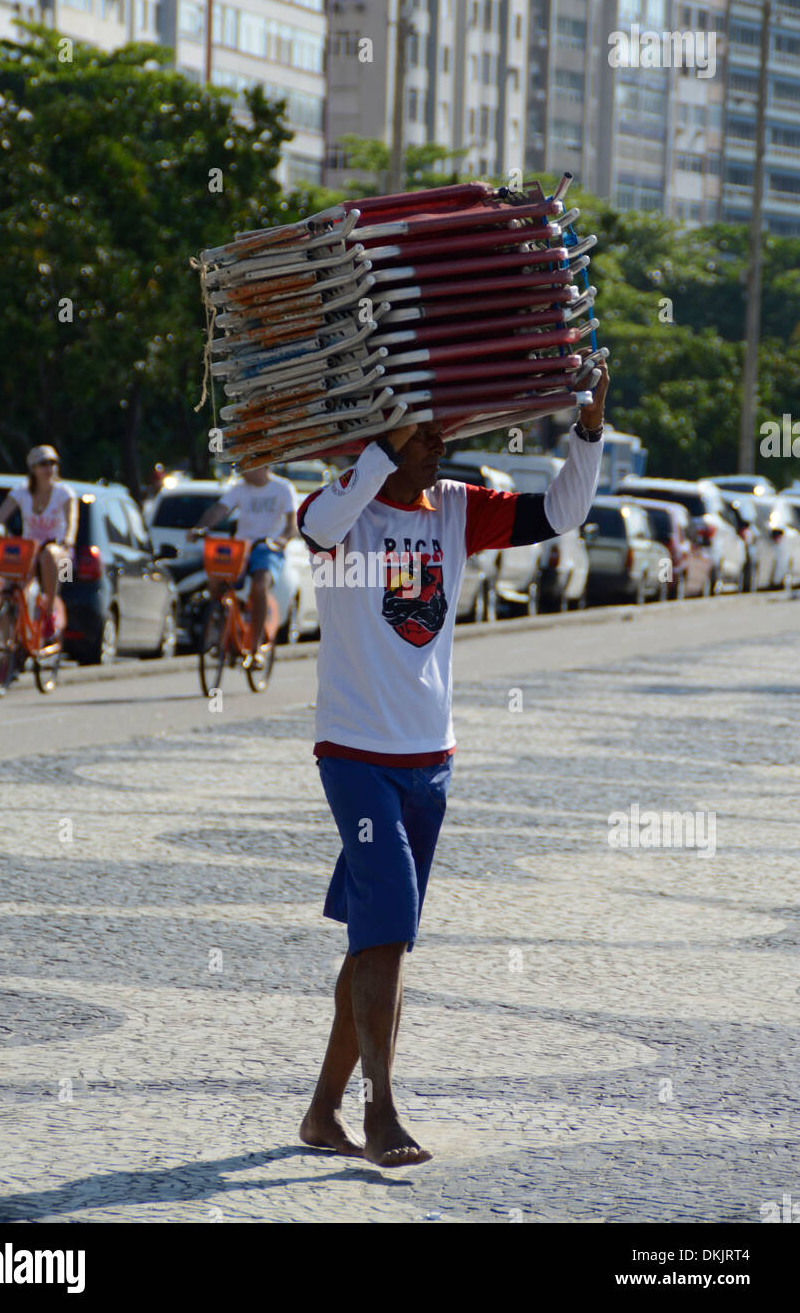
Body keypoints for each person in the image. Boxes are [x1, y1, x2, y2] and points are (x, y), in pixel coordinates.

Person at [295, 366, 610, 1168]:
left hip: (430, 760)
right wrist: (381, 446)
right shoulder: (344, 511)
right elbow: (319, 530)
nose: (444, 444)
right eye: (427, 432)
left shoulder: (458, 510)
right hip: (356, 755)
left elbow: (566, 510)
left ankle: (321, 1112)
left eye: (446, 432)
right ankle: (382, 1113)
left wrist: (588, 430)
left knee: (377, 938)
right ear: (390, 436)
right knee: (390, 930)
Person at [188, 464, 298, 667]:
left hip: (267, 548)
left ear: (262, 466)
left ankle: (255, 649)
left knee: (259, 585)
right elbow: (219, 510)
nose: (242, 471)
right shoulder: (240, 488)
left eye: (247, 466)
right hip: (241, 547)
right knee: (216, 579)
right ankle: (218, 630)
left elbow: (292, 523)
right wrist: (201, 527)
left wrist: (282, 540)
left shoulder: (282, 488)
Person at [0, 445, 78, 641]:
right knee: (9, 587)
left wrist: (68, 539)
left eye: (52, 463)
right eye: (43, 464)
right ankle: (10, 644)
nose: (49, 468)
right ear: (33, 468)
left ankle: (50, 612)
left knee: (48, 553)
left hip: (61, 554)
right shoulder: (22, 492)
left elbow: (72, 519)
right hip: (30, 551)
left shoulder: (64, 493)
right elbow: (2, 513)